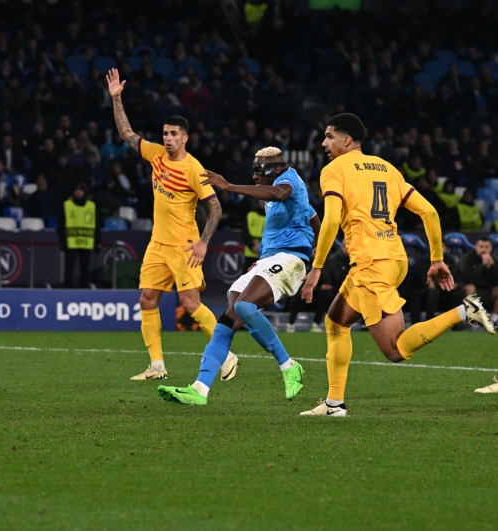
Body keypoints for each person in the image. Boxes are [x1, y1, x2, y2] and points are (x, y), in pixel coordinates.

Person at [299, 113, 493, 417]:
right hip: (394, 256)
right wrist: (437, 258)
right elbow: (429, 212)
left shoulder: (333, 170)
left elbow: (333, 219)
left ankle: (463, 311)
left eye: (329, 136)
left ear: (346, 140)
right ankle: (334, 403)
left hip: (370, 263)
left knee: (394, 350)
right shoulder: (385, 168)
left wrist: (317, 266)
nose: (324, 143)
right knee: (336, 322)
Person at [157, 147, 319, 405]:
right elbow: (313, 217)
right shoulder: (279, 194)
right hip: (270, 260)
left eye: (259, 171)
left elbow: (279, 193)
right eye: (253, 170)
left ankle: (289, 366)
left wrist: (313, 263)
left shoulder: (288, 179)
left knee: (245, 304)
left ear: (276, 169)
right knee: (229, 314)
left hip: (291, 260)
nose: (255, 176)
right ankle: (200, 388)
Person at [106, 68, 226, 381]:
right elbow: (126, 135)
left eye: (174, 134)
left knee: (190, 305)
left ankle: (225, 355)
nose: (168, 138)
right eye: (165, 133)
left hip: (185, 247)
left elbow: (215, 208)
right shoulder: (156, 155)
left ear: (185, 138)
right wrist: (117, 99)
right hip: (158, 245)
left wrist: (203, 242)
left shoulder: (193, 168)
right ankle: (156, 366)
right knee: (147, 299)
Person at [58, 183, 99, 289]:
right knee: (69, 268)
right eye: (76, 189)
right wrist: (62, 241)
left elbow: (96, 225)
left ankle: (83, 289)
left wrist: (98, 241)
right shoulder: (67, 205)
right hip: (71, 242)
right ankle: (67, 289)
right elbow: (61, 225)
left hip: (86, 242)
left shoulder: (91, 206)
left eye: (81, 190)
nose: (78, 192)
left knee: (85, 269)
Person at [459, 237, 498, 324]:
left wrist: (492, 268)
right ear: (476, 246)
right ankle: (473, 320)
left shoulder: (494, 260)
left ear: (491, 248)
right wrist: (482, 266)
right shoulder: (467, 258)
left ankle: (495, 321)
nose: (483, 249)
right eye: (481, 246)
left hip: (488, 293)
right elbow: (468, 279)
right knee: (470, 287)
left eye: (487, 247)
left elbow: (496, 281)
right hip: (473, 291)